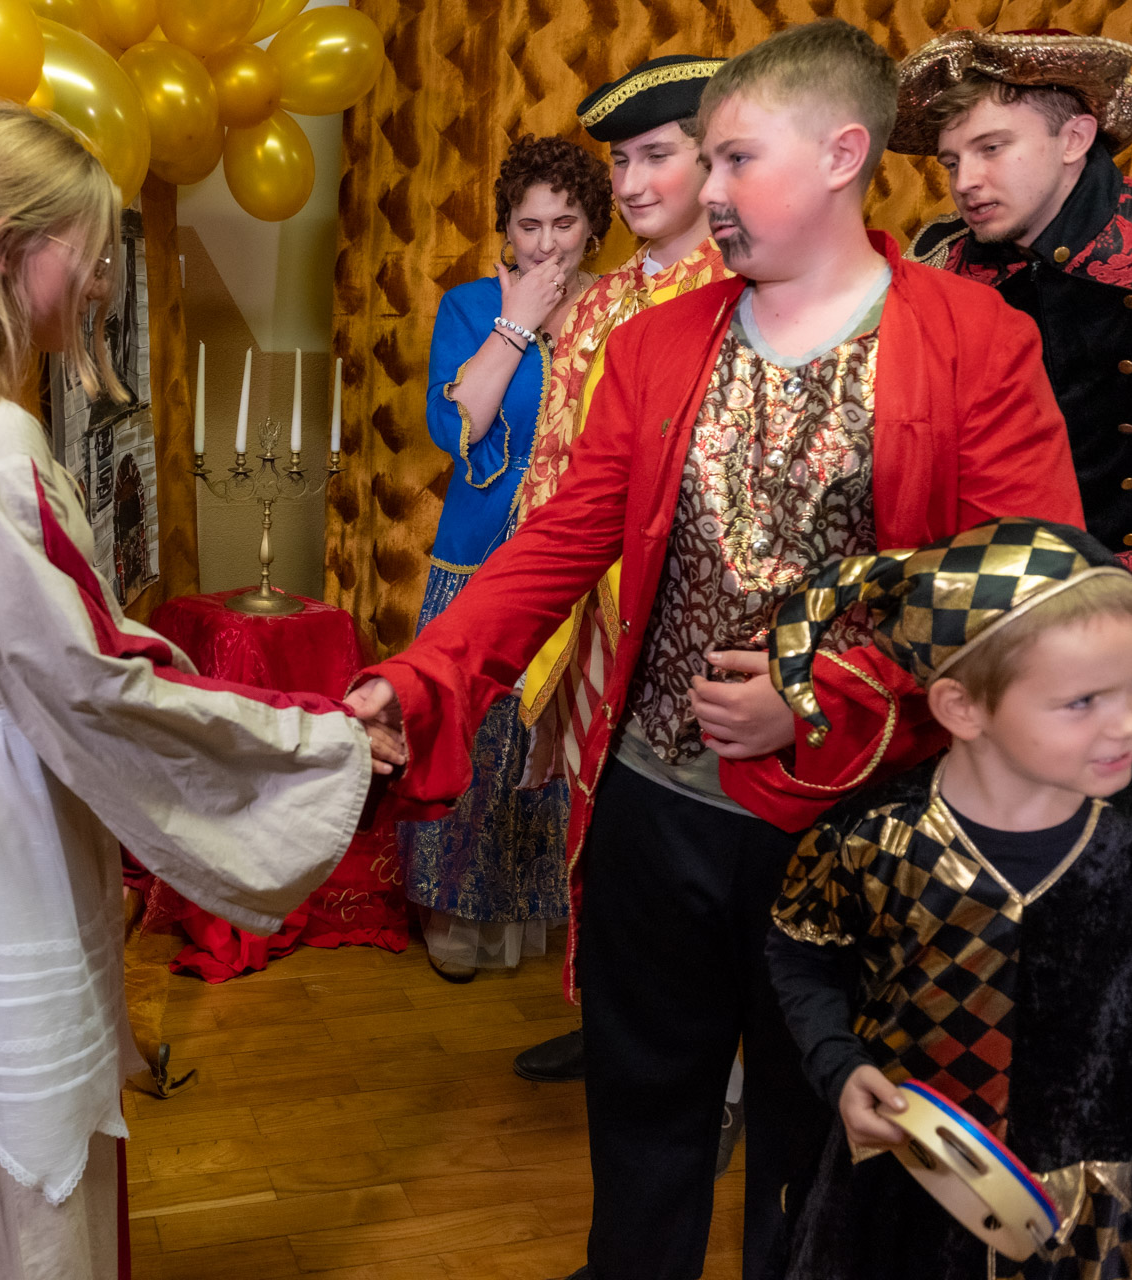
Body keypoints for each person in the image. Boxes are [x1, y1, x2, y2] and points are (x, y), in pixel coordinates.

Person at [344, 20, 1086, 1280]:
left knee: (815, 1151)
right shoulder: (655, 343)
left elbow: (1027, 597)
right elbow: (561, 539)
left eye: (737, 159)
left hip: (854, 830)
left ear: (842, 154)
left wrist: (826, 694)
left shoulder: (974, 339)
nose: (710, 190)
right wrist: (427, 674)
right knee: (643, 1123)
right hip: (655, 808)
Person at [0, 104, 375, 1280]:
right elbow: (87, 679)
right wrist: (313, 740)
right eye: (88, 255)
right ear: (9, 250)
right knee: (19, 1125)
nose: (100, 283)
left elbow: (40, 635)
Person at [761, 517, 1132, 1279]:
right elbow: (802, 954)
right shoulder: (870, 840)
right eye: (1083, 701)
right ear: (962, 707)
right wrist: (838, 1063)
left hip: (1092, 1224)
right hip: (900, 1202)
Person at [504, 53, 734, 1090]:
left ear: (712, 158)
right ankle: (610, 1022)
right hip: (590, 611)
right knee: (596, 824)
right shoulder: (599, 303)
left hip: (687, 614)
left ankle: (711, 1075)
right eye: (621, 163)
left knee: (687, 839)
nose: (634, 184)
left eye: (656, 156)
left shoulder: (738, 290)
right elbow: (554, 463)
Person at [897, 29, 1132, 809]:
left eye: (992, 148)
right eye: (951, 161)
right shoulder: (944, 270)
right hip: (1009, 630)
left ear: (1075, 139)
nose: (967, 181)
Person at [399, 134, 610, 982]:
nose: (547, 243)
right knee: (474, 727)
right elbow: (458, 425)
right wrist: (516, 320)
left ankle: (535, 904)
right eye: (529, 224)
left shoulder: (621, 308)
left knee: (552, 734)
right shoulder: (470, 306)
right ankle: (453, 906)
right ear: (506, 228)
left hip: (583, 557)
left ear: (594, 227)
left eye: (565, 222)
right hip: (479, 550)